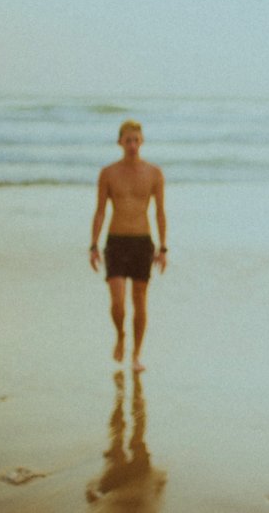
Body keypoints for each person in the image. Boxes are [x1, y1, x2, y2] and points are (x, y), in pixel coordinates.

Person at [90, 120, 167, 372]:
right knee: (118, 301)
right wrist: (93, 245)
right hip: (116, 242)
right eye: (128, 140)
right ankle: (120, 335)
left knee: (140, 299)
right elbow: (100, 212)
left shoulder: (154, 173)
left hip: (142, 242)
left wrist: (163, 248)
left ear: (142, 141)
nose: (132, 144)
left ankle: (136, 354)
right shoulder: (108, 173)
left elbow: (160, 213)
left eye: (136, 139)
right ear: (120, 142)